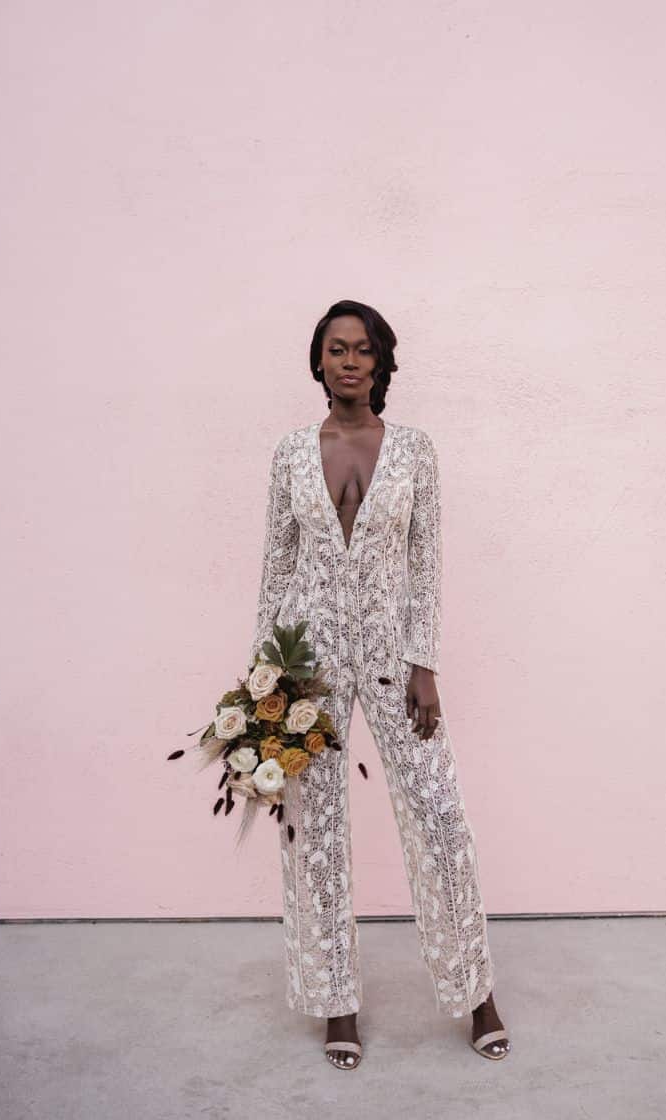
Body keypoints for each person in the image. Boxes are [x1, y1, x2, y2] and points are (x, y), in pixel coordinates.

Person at [251, 299, 510, 1069]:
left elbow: (426, 562)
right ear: (319, 360)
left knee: (439, 815)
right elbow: (276, 568)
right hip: (306, 657)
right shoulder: (290, 453)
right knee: (314, 829)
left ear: (381, 362)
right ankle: (336, 1001)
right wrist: (264, 680)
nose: (350, 361)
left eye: (362, 349)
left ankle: (476, 990)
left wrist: (425, 662)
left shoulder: (415, 451)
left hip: (395, 654)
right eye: (337, 348)